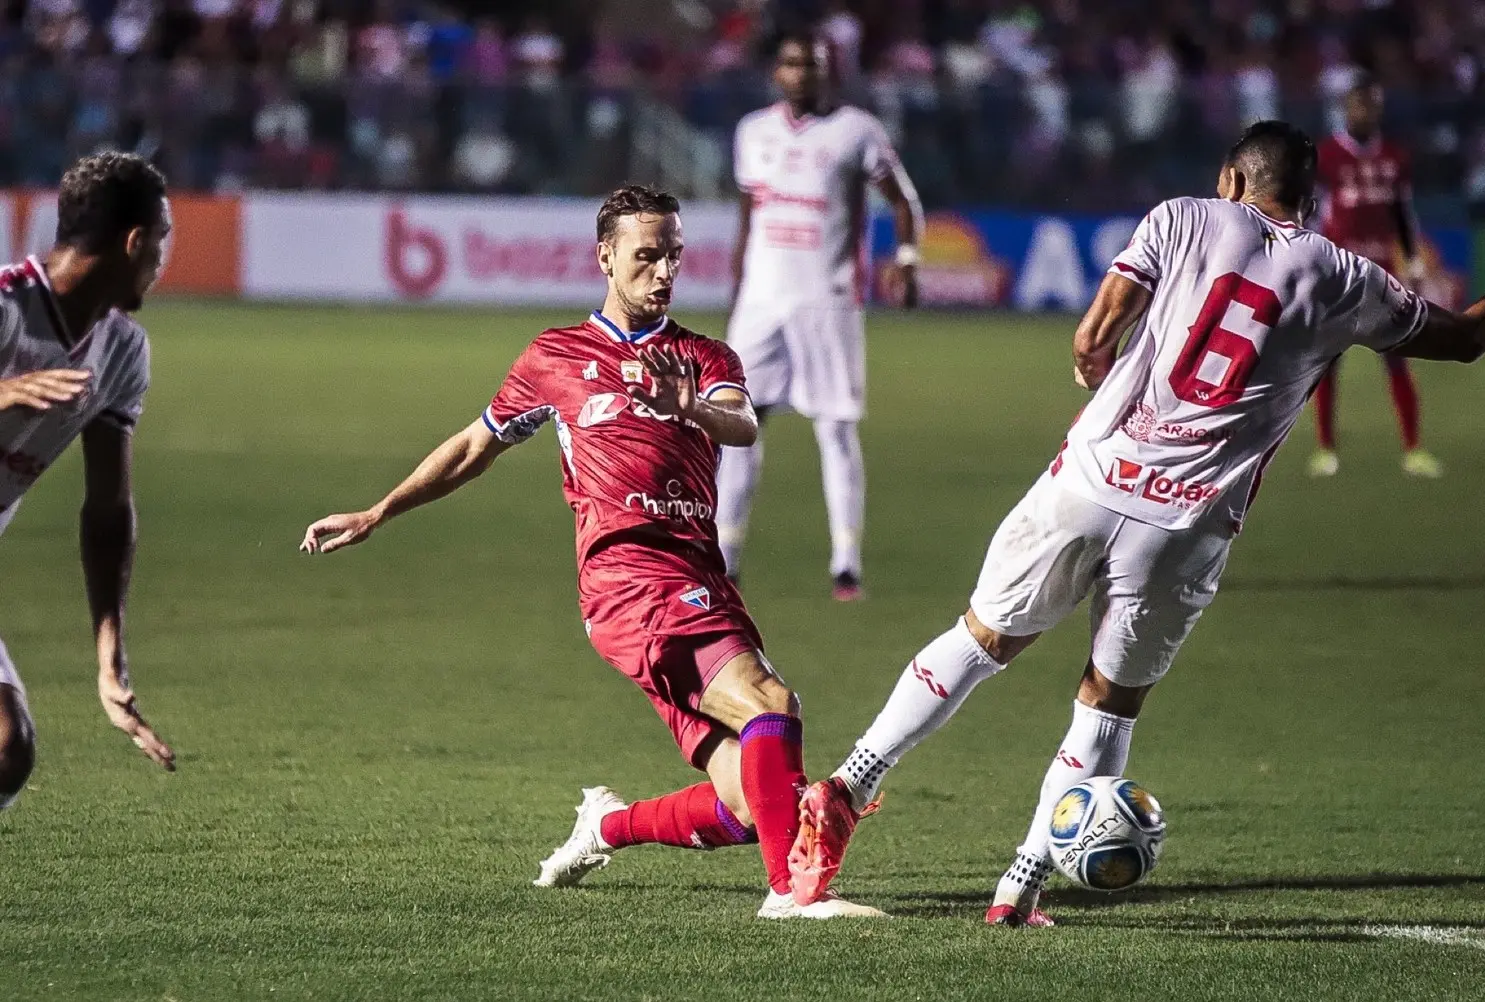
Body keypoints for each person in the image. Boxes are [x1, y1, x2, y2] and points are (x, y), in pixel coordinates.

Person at [785, 121, 1485, 921]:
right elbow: (1462, 340)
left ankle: (852, 780)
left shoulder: (1180, 216)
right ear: (1310, 197)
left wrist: (1100, 369)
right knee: (1108, 701)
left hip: (1088, 480)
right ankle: (1020, 888)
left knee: (981, 638)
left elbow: (1092, 340)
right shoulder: (1343, 277)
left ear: (1230, 179)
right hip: (1184, 524)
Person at [301, 184, 883, 920]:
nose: (664, 271)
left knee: (748, 802)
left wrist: (691, 408)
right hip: (627, 580)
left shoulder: (702, 355)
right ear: (605, 256)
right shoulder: (555, 357)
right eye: (647, 255)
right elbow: (475, 445)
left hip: (696, 575)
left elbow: (741, 427)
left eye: (673, 254)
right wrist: (379, 511)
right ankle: (792, 894)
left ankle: (605, 825)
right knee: (771, 706)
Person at [716, 31, 923, 600]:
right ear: (775, 73)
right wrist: (736, 292)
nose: (800, 73)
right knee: (736, 427)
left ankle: (846, 561)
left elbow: (902, 199)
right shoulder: (752, 132)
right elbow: (747, 219)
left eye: (812, 64)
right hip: (761, 304)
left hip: (827, 302)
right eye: (790, 63)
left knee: (834, 428)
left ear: (829, 72)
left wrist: (906, 260)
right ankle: (724, 554)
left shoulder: (857, 130)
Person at [0, 151, 178, 811]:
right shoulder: (5, 307)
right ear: (135, 243)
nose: (162, 262)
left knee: (7, 750)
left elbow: (108, 511)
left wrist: (110, 657)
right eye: (160, 244)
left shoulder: (122, 353)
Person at [1309, 76, 1441, 479]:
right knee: (1327, 362)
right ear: (1346, 110)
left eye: (1370, 107)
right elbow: (1311, 212)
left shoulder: (1395, 157)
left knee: (1397, 359)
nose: (1364, 113)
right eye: (1358, 106)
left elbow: (1403, 211)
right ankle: (1326, 449)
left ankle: (1414, 449)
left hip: (1384, 274)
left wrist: (1414, 259)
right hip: (1340, 276)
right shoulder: (1326, 155)